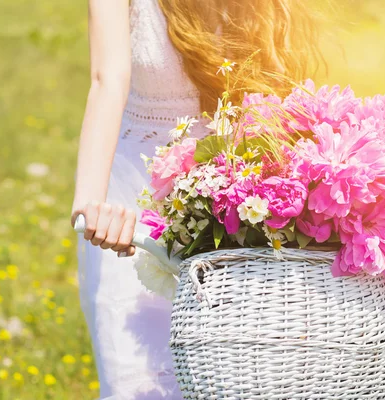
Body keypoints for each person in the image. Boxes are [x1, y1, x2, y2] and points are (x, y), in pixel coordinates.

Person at [70, 0, 322, 398]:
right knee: (139, 376)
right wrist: (89, 204)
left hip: (232, 205)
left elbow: (279, 99)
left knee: (236, 379)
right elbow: (107, 80)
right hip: (134, 199)